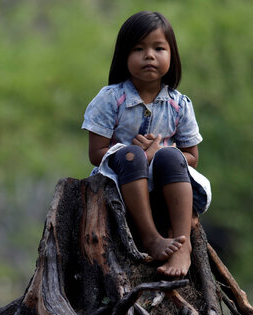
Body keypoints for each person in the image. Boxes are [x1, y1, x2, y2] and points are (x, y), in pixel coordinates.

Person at [82, 11, 211, 277]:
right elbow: (96, 154)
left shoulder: (179, 105)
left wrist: (158, 153)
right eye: (138, 49)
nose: (149, 55)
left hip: (167, 175)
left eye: (158, 48)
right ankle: (151, 237)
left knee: (170, 157)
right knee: (131, 155)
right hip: (121, 176)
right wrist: (139, 153)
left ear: (171, 55)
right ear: (123, 56)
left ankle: (182, 245)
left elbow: (192, 157)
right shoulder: (110, 99)